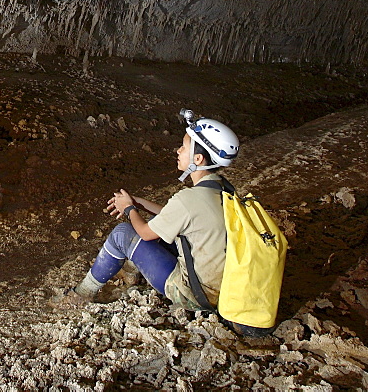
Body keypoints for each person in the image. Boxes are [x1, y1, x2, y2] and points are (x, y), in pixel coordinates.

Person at [54, 110, 239, 311]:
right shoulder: (221, 189)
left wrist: (129, 208)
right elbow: (173, 217)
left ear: (198, 159)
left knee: (122, 234)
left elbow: (145, 233)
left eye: (184, 147)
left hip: (196, 295)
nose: (178, 151)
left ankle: (81, 295)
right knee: (164, 234)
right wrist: (139, 203)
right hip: (222, 288)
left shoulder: (189, 199)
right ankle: (130, 274)